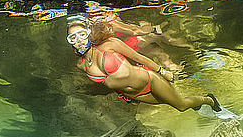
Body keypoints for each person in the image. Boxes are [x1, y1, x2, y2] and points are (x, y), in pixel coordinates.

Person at [66, 14, 220, 112]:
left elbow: (138, 58)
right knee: (170, 103)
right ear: (70, 42)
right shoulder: (81, 65)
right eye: (73, 38)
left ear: (89, 33)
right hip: (135, 94)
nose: (78, 40)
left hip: (149, 81)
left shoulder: (109, 44)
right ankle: (195, 103)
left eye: (81, 34)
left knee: (181, 106)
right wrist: (126, 96)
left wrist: (162, 72)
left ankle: (209, 100)